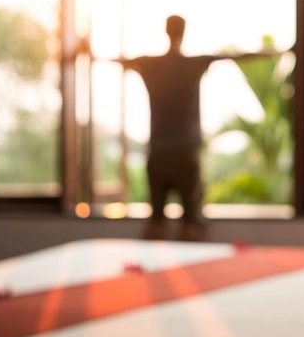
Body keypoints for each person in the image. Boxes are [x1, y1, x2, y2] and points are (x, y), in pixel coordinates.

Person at [113, 15, 277, 241]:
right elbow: (236, 56)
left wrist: (81, 52)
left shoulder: (149, 64)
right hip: (186, 153)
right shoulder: (194, 63)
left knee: (156, 219)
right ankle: (189, 260)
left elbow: (115, 61)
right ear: (183, 32)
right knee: (190, 220)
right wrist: (273, 52)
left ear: (167, 31)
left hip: (158, 152)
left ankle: (148, 262)